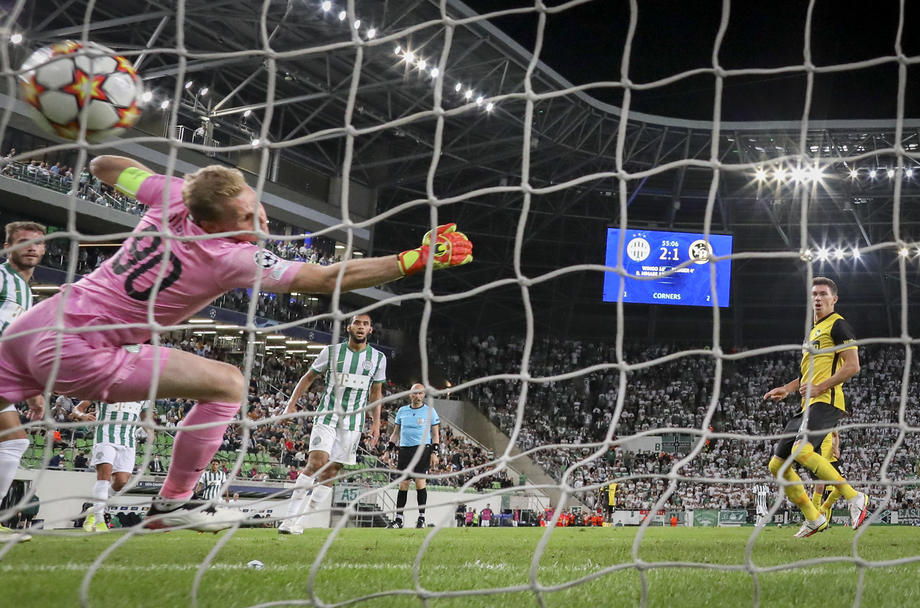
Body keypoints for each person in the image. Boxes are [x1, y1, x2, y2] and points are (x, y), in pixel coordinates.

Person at [0, 156, 473, 532]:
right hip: (81, 350)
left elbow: (102, 164)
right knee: (228, 384)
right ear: (214, 224)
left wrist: (175, 185)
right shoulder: (229, 256)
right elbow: (328, 278)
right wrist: (415, 258)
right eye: (245, 217)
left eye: (254, 205)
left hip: (33, 327)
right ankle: (173, 503)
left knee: (10, 439)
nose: (259, 220)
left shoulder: (173, 198)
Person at [763, 276, 868, 539]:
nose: (818, 298)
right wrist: (787, 389)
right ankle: (814, 517)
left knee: (801, 450)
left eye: (823, 294)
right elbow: (806, 376)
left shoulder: (838, 325)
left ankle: (854, 497)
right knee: (777, 466)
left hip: (827, 400)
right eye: (814, 294)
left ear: (834, 299)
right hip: (806, 405)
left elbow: (853, 365)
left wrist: (821, 387)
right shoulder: (812, 333)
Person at [277, 313, 388, 535]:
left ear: (370, 330)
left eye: (365, 324)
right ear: (349, 327)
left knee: (330, 472)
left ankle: (301, 521)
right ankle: (288, 519)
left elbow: (376, 392)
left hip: (353, 423)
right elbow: (309, 377)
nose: (361, 327)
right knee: (316, 463)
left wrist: (376, 424)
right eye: (357, 323)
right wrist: (291, 404)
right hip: (327, 416)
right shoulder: (331, 352)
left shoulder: (378, 358)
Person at [0, 221, 46, 543]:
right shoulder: (3, 277)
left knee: (15, 441)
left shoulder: (25, 290)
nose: (31, 247)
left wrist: (32, 391)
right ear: (8, 248)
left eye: (37, 243)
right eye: (23, 241)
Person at [74, 398, 152, 532]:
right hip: (105, 437)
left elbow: (145, 418)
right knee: (104, 477)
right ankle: (99, 521)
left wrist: (150, 431)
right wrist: (83, 416)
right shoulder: (105, 388)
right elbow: (77, 409)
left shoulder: (143, 395)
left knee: (121, 481)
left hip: (128, 441)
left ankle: (94, 509)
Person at [386, 383, 440, 528]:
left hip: (422, 450)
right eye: (415, 393)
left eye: (420, 393)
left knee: (420, 482)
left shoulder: (430, 411)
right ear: (410, 395)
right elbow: (395, 433)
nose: (417, 396)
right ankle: (398, 520)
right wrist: (388, 449)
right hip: (405, 450)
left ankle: (421, 518)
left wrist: (435, 452)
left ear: (424, 395)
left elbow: (435, 434)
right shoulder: (402, 411)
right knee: (403, 484)